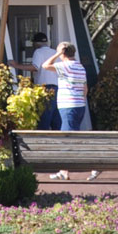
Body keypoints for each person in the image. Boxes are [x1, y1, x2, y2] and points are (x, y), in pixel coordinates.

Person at [41, 41, 97, 182]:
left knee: (68, 139)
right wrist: (80, 100)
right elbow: (85, 89)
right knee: (70, 137)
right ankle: (64, 171)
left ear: (63, 53)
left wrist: (57, 54)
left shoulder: (65, 66)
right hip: (79, 106)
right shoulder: (80, 67)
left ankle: (94, 165)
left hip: (68, 106)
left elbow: (45, 65)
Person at [28, 32, 60, 130]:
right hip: (56, 86)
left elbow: (35, 67)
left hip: (44, 87)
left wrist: (16, 65)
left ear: (36, 43)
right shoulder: (55, 52)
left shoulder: (38, 52)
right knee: (55, 116)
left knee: (44, 116)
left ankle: (43, 138)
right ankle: (58, 138)